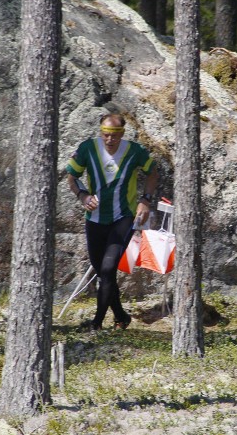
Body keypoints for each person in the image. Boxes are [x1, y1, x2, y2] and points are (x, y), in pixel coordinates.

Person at [66, 114, 159, 331]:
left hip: (123, 218)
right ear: (101, 133)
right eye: (106, 134)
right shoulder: (88, 148)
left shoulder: (135, 151)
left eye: (115, 135)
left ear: (122, 134)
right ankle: (121, 316)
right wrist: (83, 196)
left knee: (108, 269)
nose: (110, 139)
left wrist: (145, 200)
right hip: (95, 220)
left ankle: (96, 324)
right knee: (102, 273)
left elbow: (153, 173)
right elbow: (72, 176)